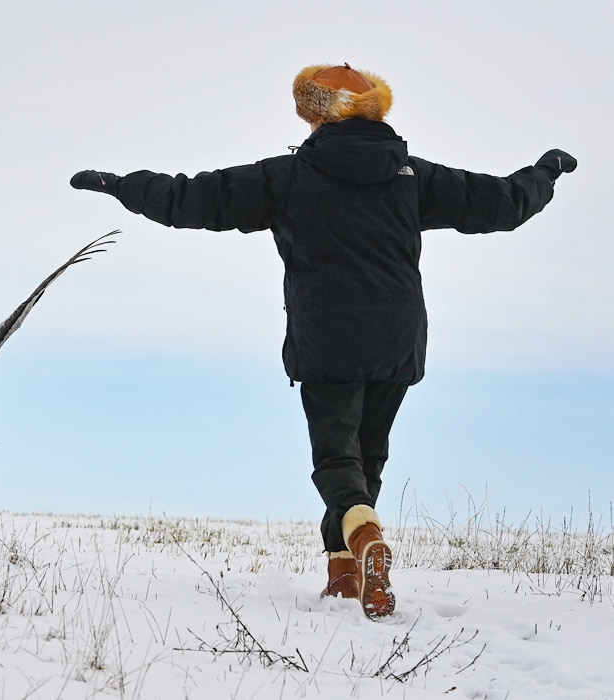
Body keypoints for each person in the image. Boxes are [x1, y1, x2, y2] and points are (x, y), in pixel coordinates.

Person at [69, 62, 576, 620]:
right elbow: (502, 205)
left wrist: (122, 186)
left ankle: (359, 539)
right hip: (398, 338)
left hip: (328, 339)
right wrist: (545, 172)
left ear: (315, 116)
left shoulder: (287, 177)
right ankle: (344, 570)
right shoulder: (412, 175)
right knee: (369, 455)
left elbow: (195, 200)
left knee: (338, 458)